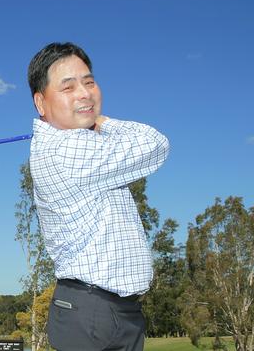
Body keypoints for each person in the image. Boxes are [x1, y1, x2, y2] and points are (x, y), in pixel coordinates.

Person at [28, 42, 170, 351]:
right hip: (91, 313)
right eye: (68, 87)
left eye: (89, 82)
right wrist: (103, 122)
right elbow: (156, 145)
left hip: (109, 311)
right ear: (41, 103)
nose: (84, 93)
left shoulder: (79, 143)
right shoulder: (67, 149)